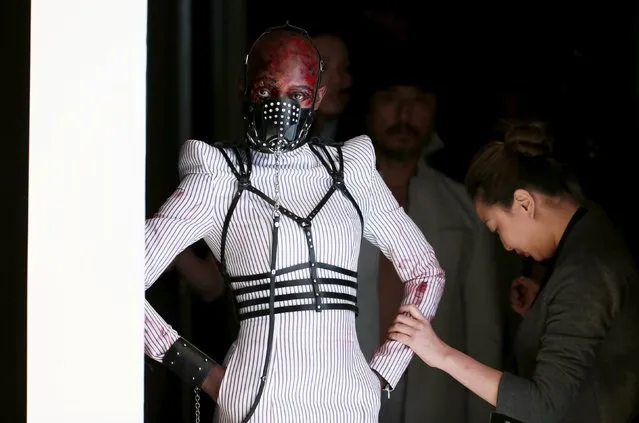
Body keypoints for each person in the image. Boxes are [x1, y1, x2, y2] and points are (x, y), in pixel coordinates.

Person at [143, 23, 445, 423]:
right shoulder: (217, 177)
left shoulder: (351, 171)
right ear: (244, 86)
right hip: (256, 403)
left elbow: (426, 272)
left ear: (317, 97)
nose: (280, 107)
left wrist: (384, 373)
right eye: (267, 90)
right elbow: (119, 280)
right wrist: (207, 375)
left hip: (352, 404)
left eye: (298, 94)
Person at [388, 122, 639, 423]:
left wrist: (440, 353)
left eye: (497, 228)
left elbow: (543, 406)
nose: (505, 245)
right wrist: (546, 308)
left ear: (524, 203)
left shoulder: (585, 272)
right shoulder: (590, 227)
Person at [356, 63, 503, 423]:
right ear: (370, 107)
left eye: (418, 100)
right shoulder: (331, 196)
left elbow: (483, 327)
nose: (404, 114)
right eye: (391, 99)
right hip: (346, 385)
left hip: (435, 397)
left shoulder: (464, 210)